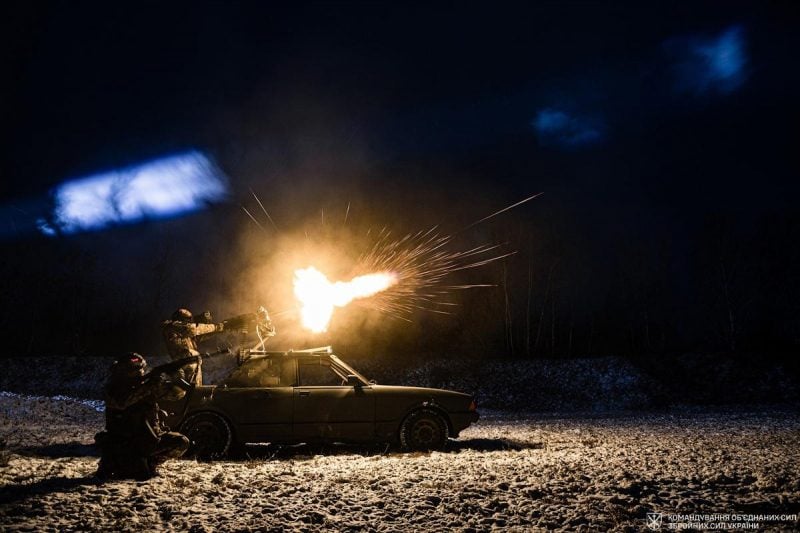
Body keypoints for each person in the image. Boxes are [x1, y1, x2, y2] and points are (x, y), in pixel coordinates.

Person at [95, 353, 195, 480]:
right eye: (135, 370)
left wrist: (177, 378)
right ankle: (121, 465)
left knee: (181, 442)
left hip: (148, 438)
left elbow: (175, 395)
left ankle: (150, 463)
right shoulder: (113, 387)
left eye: (141, 369)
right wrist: (149, 386)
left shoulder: (146, 385)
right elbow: (121, 403)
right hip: (125, 442)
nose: (140, 373)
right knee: (130, 472)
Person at [161, 307, 275, 384]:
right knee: (189, 393)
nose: (190, 322)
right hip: (183, 364)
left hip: (189, 363)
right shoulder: (173, 327)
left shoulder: (183, 334)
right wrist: (218, 327)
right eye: (188, 320)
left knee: (194, 391)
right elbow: (193, 329)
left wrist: (228, 326)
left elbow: (204, 334)